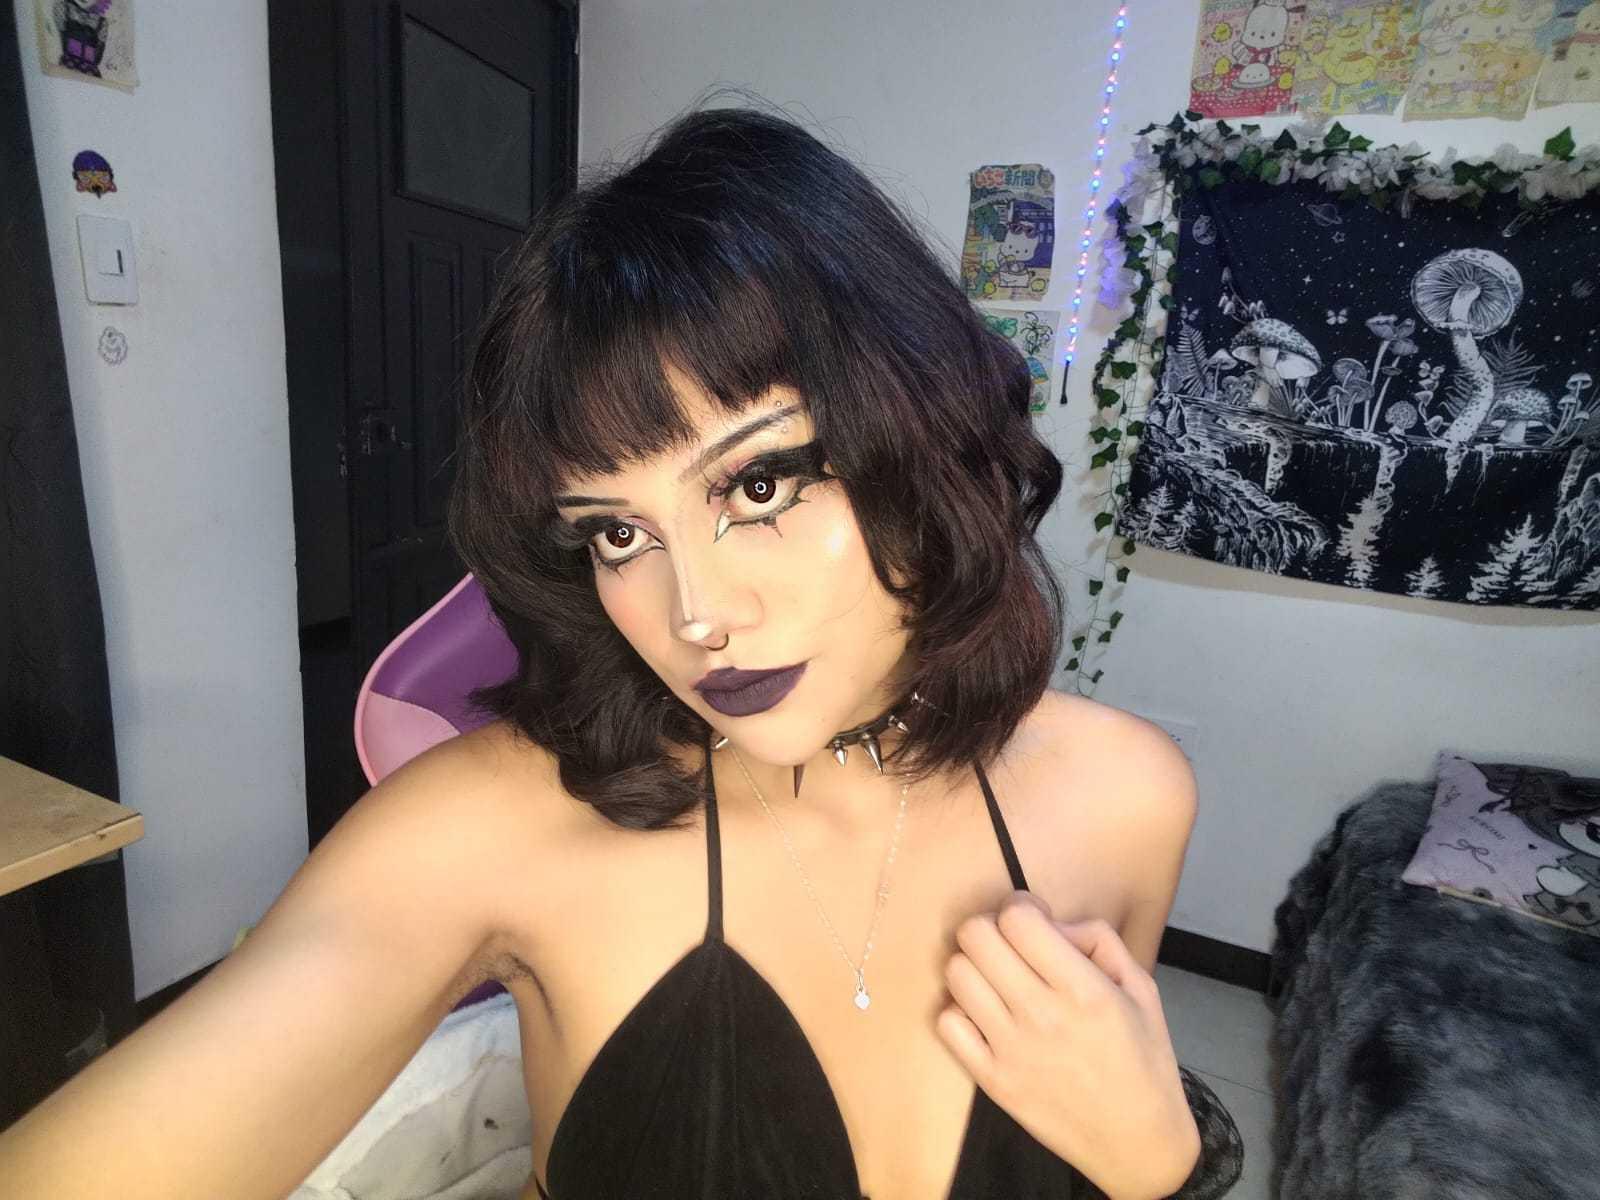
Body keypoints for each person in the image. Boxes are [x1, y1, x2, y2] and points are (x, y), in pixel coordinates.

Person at [0, 102, 1241, 1200]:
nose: (693, 613)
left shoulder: (1123, 797)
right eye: (616, 532)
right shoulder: (493, 826)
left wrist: (1160, 1163)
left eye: (758, 484)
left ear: (921, 432)